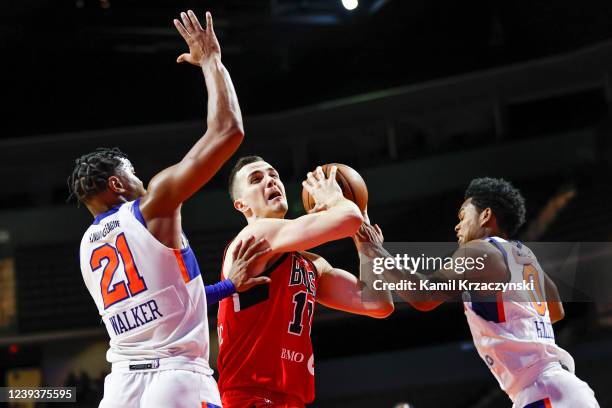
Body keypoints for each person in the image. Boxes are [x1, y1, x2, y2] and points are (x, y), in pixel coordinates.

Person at [69, 11, 269, 408]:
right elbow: (228, 131)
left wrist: (229, 287)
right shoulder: (152, 207)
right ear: (117, 184)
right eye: (133, 174)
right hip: (177, 378)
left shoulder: (87, 248)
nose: (141, 180)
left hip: (121, 386)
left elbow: (167, 302)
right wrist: (212, 60)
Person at [361, 177, 599, 408]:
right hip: (554, 388)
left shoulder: (478, 251)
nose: (457, 225)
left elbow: (424, 296)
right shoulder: (524, 255)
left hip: (545, 391)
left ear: (486, 215)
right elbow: (556, 309)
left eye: (463, 216)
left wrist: (375, 253)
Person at [217, 156, 394, 407]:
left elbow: (378, 304)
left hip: (292, 399)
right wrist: (335, 198)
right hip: (250, 396)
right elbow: (348, 218)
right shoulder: (253, 238)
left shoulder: (311, 263)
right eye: (257, 179)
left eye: (274, 175)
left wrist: (366, 245)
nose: (270, 181)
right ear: (241, 204)